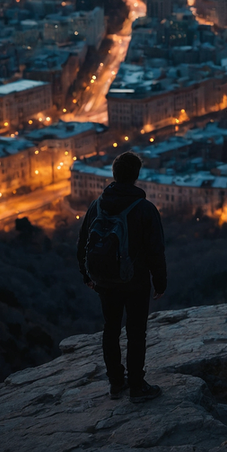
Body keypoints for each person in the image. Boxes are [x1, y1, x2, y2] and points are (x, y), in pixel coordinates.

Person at [77, 151, 167, 402]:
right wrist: (160, 283)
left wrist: (87, 275)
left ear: (114, 175)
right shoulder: (145, 209)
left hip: (104, 280)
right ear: (136, 176)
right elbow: (155, 251)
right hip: (135, 281)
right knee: (136, 332)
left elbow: (83, 241)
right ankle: (137, 387)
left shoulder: (97, 205)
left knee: (111, 330)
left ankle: (116, 383)